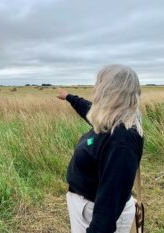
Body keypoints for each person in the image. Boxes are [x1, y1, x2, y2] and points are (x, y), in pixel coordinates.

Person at [56, 64, 144, 233]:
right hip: (87, 207)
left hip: (92, 213)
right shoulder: (114, 121)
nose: (95, 88)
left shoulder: (121, 141)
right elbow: (89, 110)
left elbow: (107, 213)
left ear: (110, 91)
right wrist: (69, 97)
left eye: (99, 84)